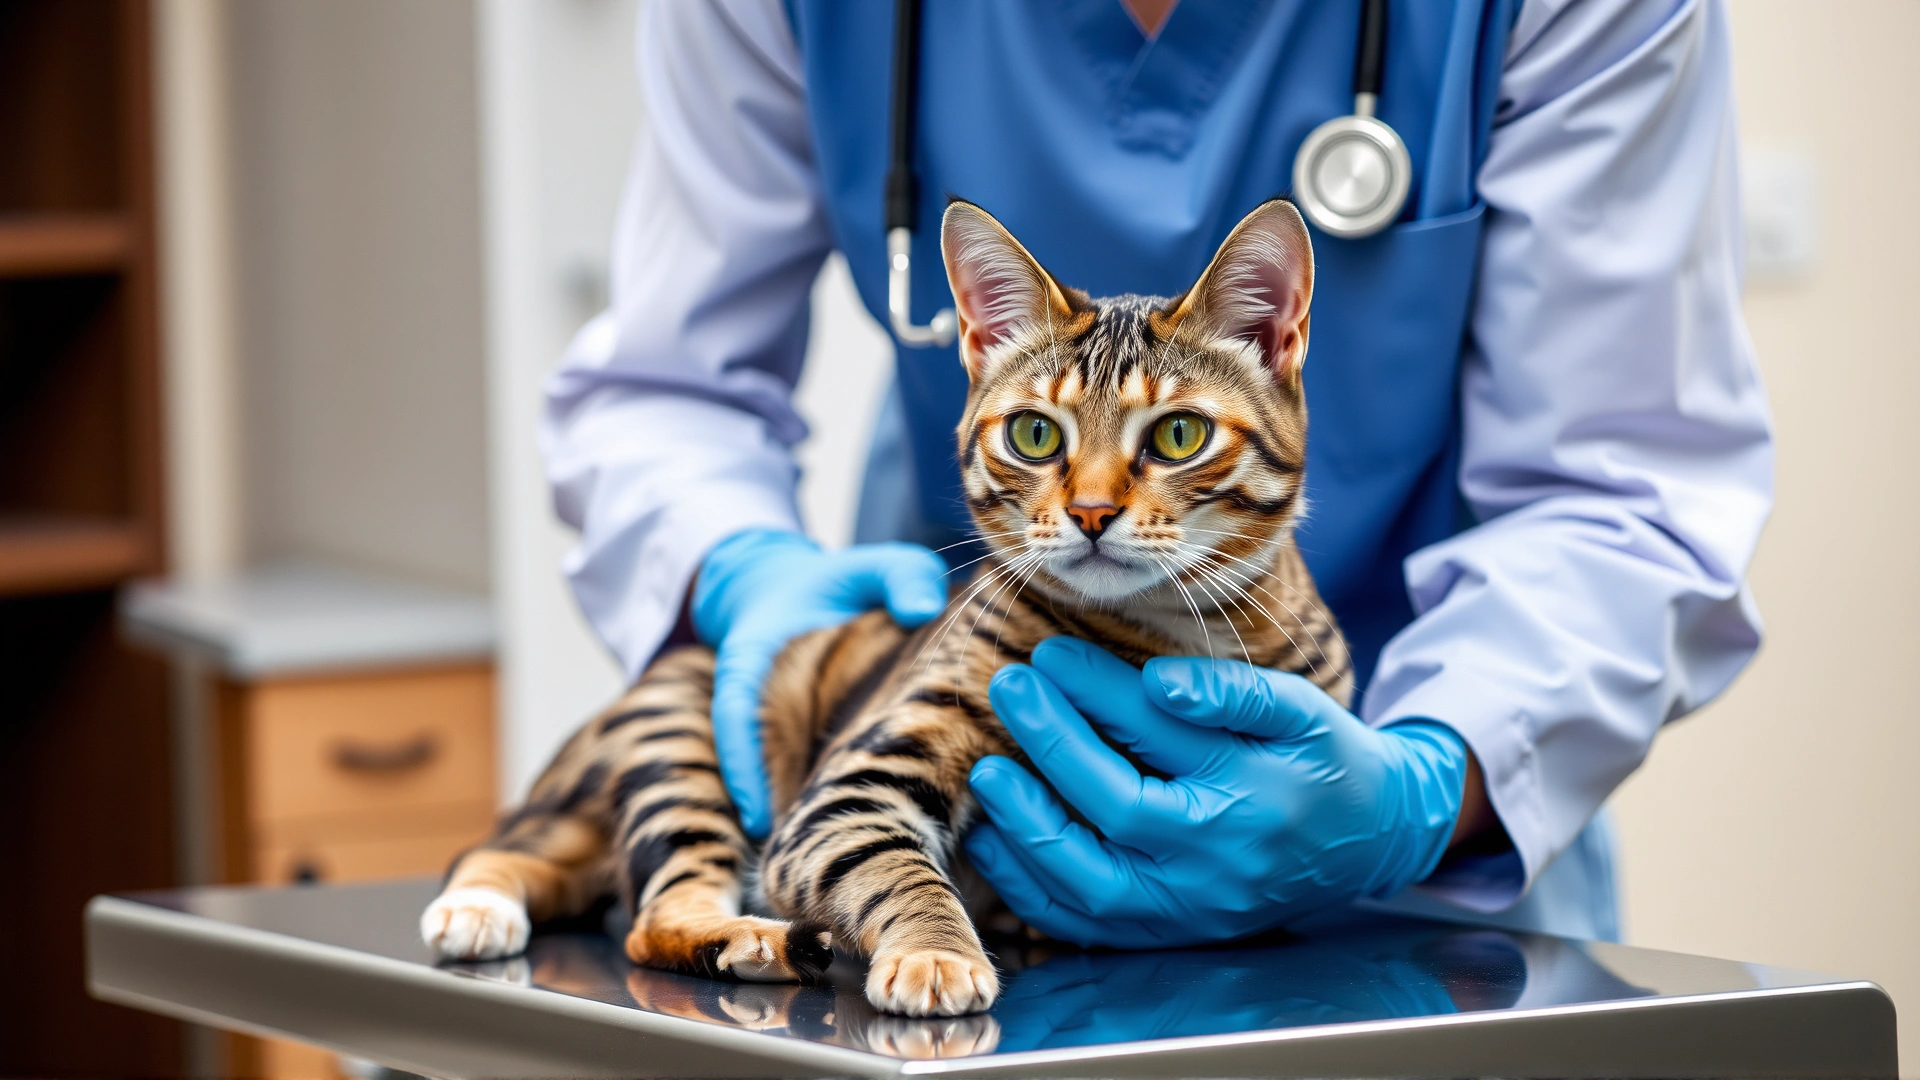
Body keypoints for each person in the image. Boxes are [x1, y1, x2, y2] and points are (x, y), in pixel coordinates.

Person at [543, 0, 1770, 944]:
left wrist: (1422, 788)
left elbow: (1622, 482)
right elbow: (666, 384)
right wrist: (740, 567)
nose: (1095, 496)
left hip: (1413, 810)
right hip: (982, 727)